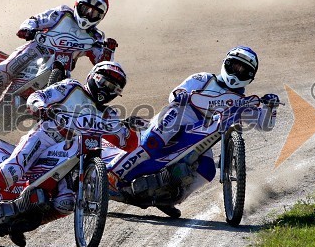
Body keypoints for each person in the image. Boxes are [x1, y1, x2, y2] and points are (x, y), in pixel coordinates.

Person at [0, 61, 129, 247]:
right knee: (13, 169)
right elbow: (39, 95)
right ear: (94, 76)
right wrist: (40, 106)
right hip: (44, 137)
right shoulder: (71, 87)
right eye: (105, 83)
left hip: (72, 156)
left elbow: (124, 140)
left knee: (65, 203)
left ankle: (18, 224)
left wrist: (130, 128)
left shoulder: (109, 114)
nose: (107, 89)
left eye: (113, 88)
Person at [106, 46, 280, 218]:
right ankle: (112, 176)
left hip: (203, 136)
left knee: (207, 170)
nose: (236, 73)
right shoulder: (203, 78)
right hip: (179, 117)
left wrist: (270, 107)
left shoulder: (242, 102)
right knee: (152, 143)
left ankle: (168, 197)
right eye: (235, 66)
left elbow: (265, 125)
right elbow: (175, 94)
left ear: (250, 77)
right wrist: (181, 96)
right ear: (226, 63)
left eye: (243, 71)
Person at [0, 0, 118, 107]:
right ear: (77, 5)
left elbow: (102, 66)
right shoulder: (61, 13)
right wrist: (27, 29)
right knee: (0, 75)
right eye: (86, 9)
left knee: (58, 103)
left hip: (60, 71)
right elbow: (36, 19)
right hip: (33, 53)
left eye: (94, 13)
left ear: (101, 16)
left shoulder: (95, 38)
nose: (89, 15)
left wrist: (108, 50)